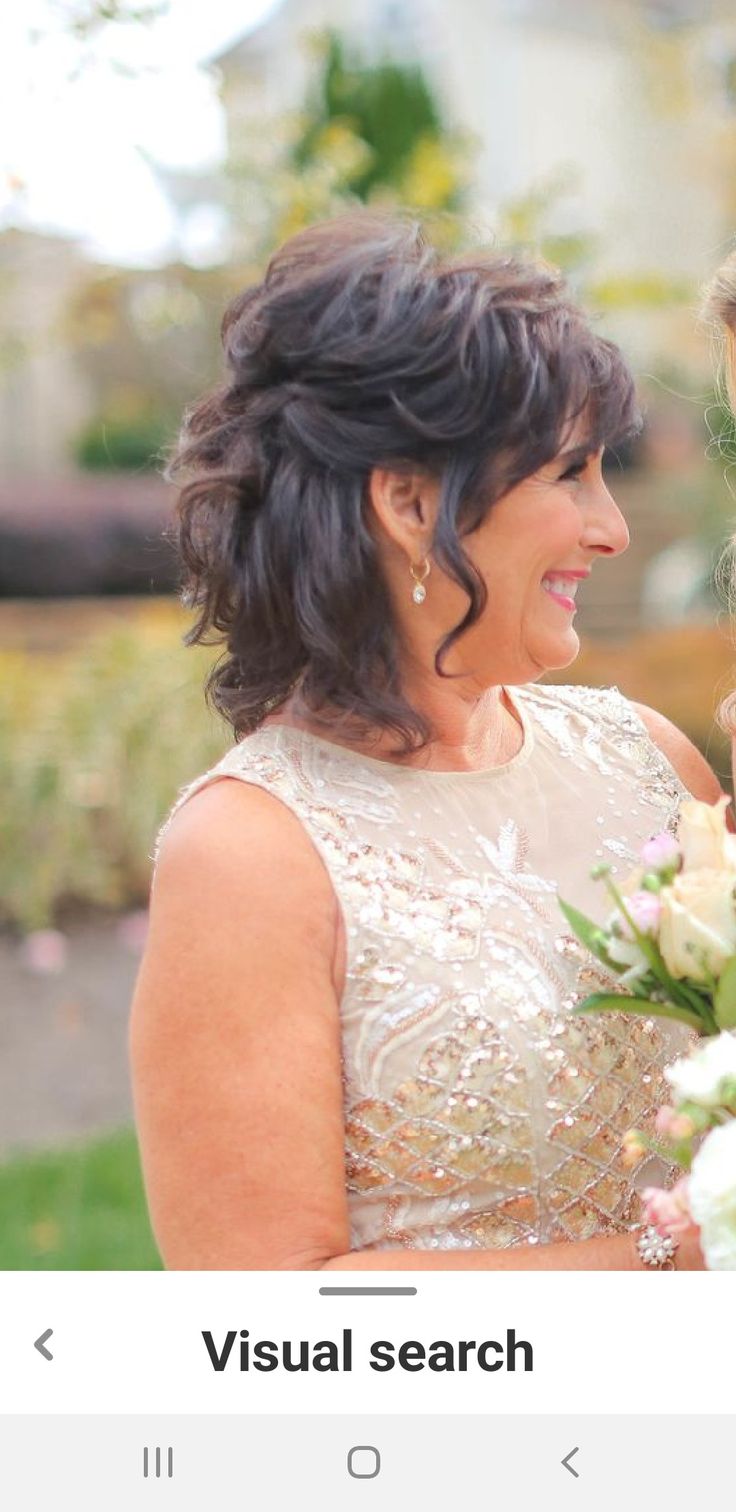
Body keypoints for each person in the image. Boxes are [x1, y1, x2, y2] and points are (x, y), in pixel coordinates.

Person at [130, 213, 718, 1271]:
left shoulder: (649, 759)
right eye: (570, 472)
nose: (612, 527)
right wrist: (691, 1255)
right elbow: (263, 1317)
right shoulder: (250, 857)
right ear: (407, 501)